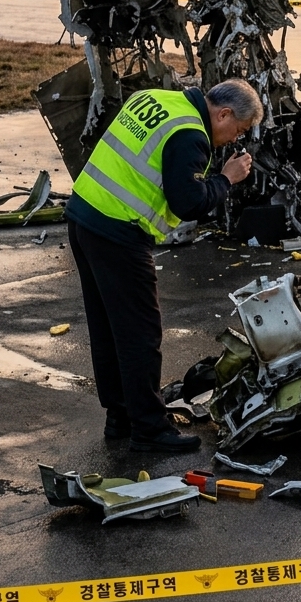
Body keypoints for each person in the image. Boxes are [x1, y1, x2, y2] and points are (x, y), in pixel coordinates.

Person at [65, 78, 263, 453]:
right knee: (141, 335)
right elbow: (187, 202)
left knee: (108, 329)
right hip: (118, 232)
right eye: (237, 129)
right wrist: (226, 179)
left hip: (84, 216)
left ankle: (121, 416)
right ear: (222, 113)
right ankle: (149, 430)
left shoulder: (155, 98)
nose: (234, 139)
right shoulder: (191, 134)